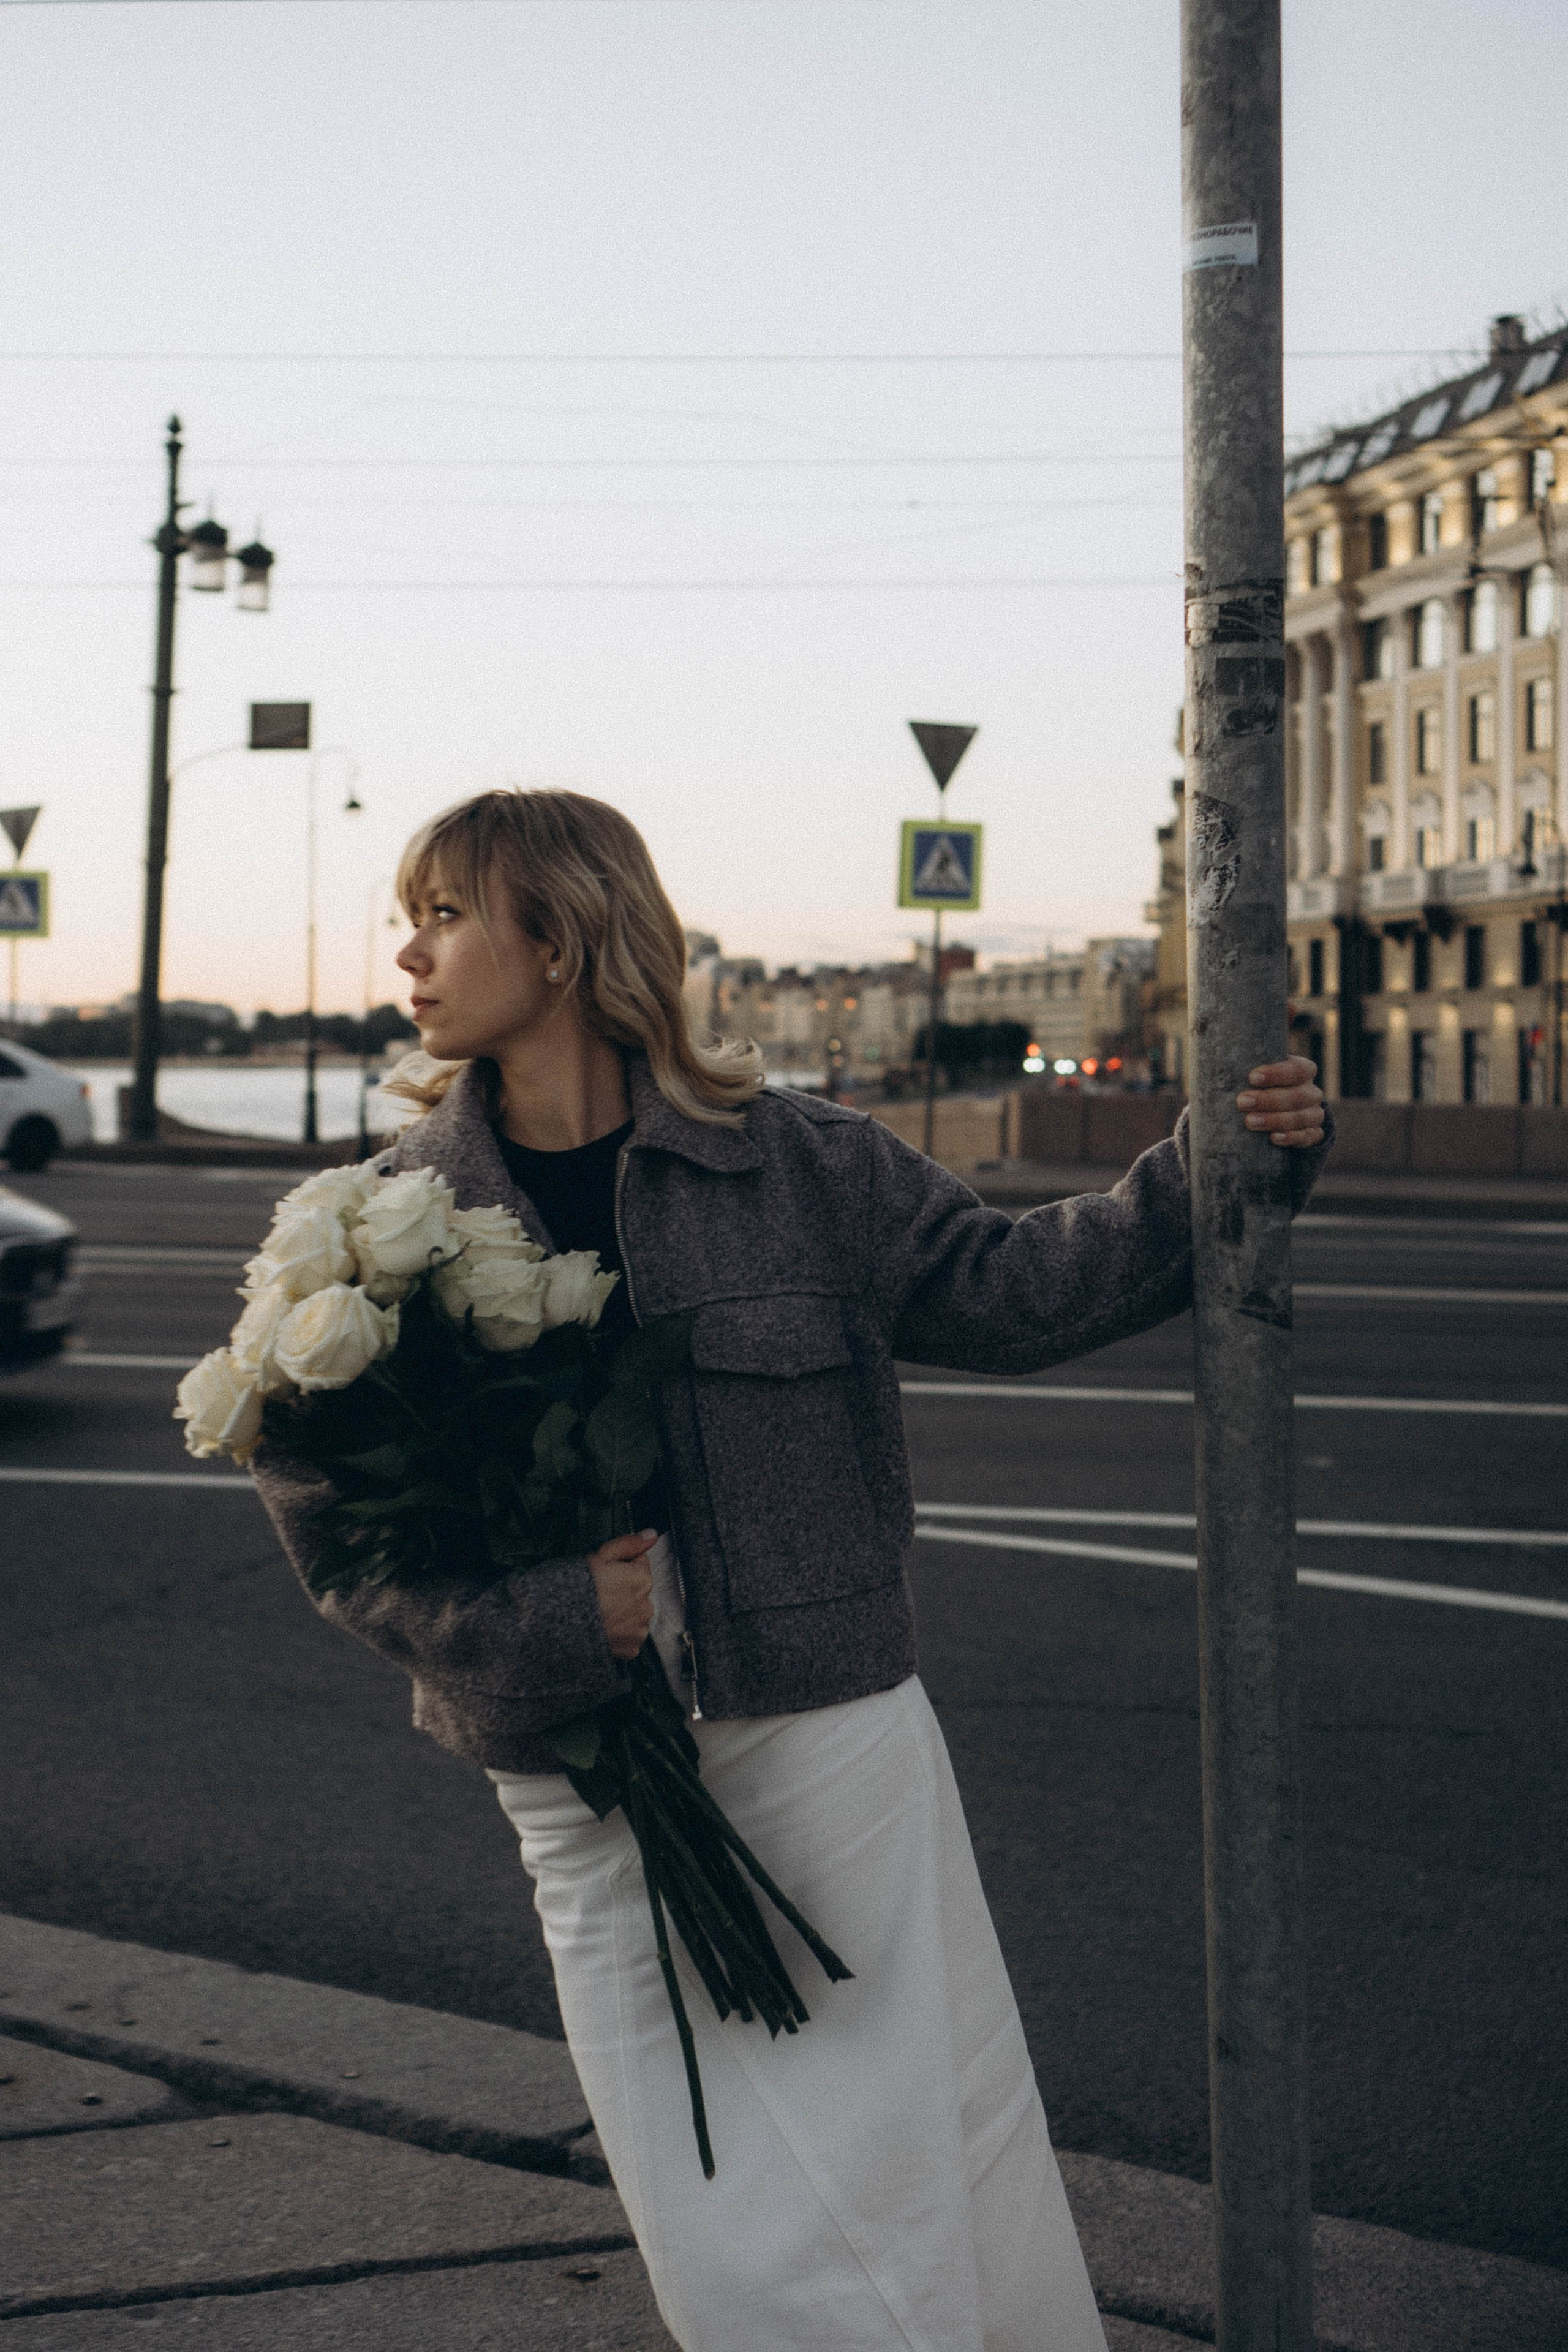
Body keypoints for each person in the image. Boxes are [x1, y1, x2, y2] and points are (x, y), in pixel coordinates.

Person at [252, 788, 1328, 2352]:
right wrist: (555, 1621)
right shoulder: (374, 1224)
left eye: (443, 913)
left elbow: (1015, 1293)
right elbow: (335, 1533)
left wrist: (1220, 1165)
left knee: (917, 2161)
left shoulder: (798, 1164)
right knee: (717, 2211)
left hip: (828, 1741)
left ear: (556, 938)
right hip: (578, 1775)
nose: (405, 951)